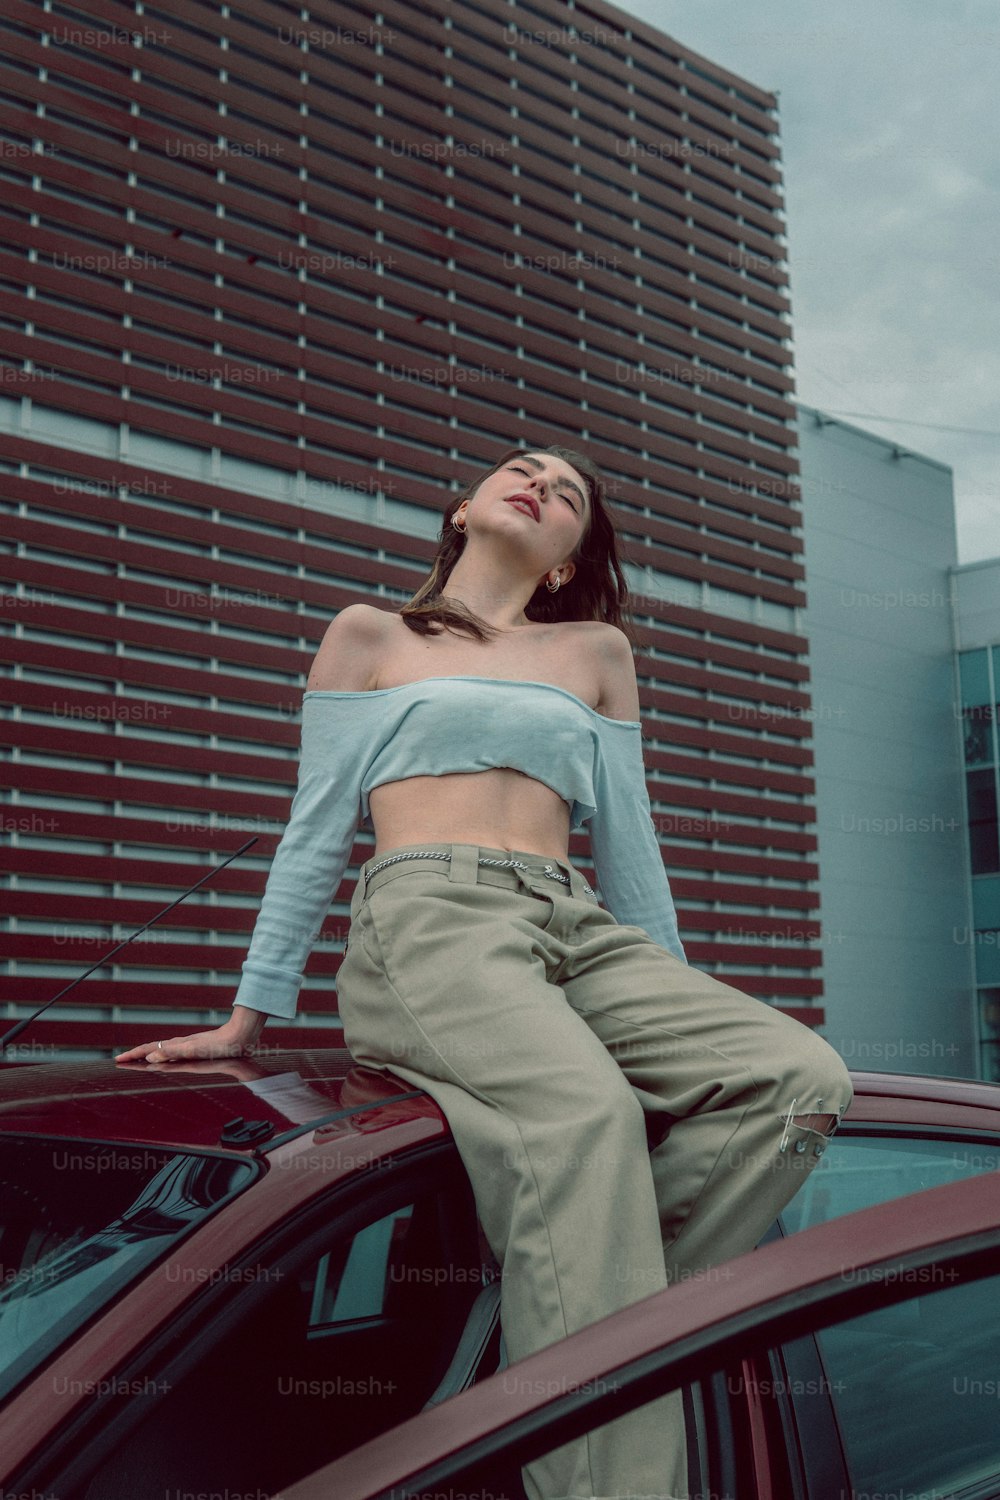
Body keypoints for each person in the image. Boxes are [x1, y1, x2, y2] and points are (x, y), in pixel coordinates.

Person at [116, 444, 853, 1500]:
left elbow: (632, 846)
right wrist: (249, 1014)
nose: (542, 486)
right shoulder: (370, 633)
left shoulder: (594, 649)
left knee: (798, 1082)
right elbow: (314, 831)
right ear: (463, 510)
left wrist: (678, 997)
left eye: (568, 495)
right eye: (523, 469)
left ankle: (555, 1316)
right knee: (583, 1116)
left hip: (577, 925)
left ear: (564, 560)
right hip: (431, 917)